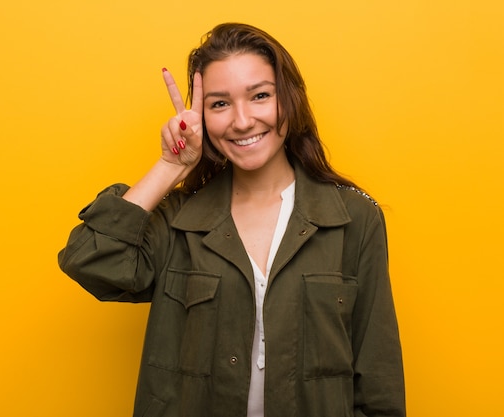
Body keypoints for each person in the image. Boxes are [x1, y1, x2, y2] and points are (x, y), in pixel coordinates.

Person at [58, 22, 405, 417]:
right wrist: (171, 165)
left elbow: (379, 384)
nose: (241, 121)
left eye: (260, 96)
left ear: (289, 101)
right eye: (220, 104)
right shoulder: (178, 221)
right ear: (202, 117)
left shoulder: (354, 220)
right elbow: (87, 258)